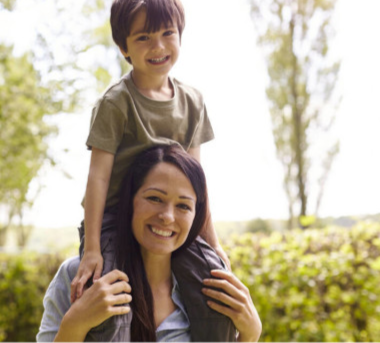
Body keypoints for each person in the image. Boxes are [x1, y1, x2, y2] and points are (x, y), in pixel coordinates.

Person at [74, 0, 230, 341]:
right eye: (143, 37)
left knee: (217, 292)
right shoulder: (116, 103)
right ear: (122, 46)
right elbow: (97, 180)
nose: (158, 46)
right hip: (115, 220)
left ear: (180, 35)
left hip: (171, 217)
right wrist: (93, 248)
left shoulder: (192, 101)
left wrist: (213, 244)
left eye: (167, 33)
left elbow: (197, 185)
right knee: (111, 307)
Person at [38, 145, 262, 342]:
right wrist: (75, 324)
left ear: (196, 215)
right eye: (155, 198)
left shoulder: (209, 290)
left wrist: (250, 336)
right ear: (131, 201)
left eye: (183, 206)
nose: (167, 216)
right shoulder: (78, 277)